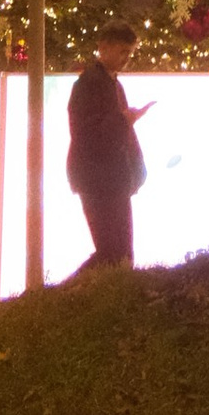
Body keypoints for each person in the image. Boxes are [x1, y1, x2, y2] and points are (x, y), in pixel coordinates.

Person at [65, 24, 148, 269]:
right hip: (99, 181)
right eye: (123, 52)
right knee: (113, 255)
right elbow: (86, 135)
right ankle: (67, 300)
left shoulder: (112, 84)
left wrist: (136, 171)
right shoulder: (88, 85)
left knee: (117, 255)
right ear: (103, 48)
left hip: (112, 181)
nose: (126, 59)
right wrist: (123, 121)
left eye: (130, 53)